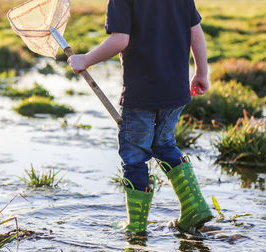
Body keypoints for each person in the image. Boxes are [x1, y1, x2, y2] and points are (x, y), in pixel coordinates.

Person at [68, 0, 213, 233]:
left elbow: (120, 40)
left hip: (142, 93)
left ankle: (136, 227)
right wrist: (201, 72)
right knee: (165, 144)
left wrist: (85, 59)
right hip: (176, 91)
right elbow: (195, 31)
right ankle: (195, 206)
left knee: (134, 156)